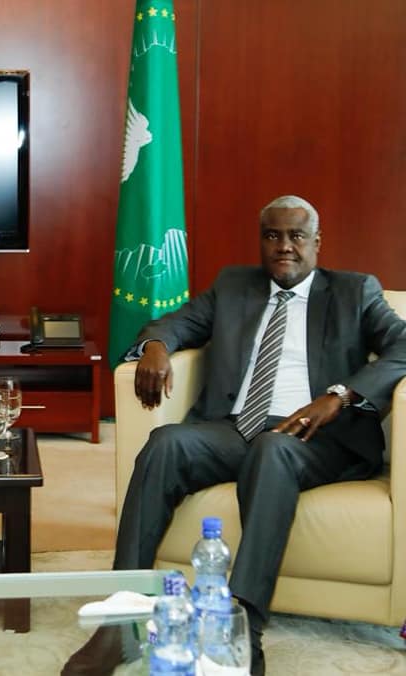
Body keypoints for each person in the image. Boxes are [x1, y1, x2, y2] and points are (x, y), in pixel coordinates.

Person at [63, 195, 406, 676]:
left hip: (317, 438)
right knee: (166, 443)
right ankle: (122, 620)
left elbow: (403, 344)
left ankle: (243, 627)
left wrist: (339, 395)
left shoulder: (355, 291)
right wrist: (156, 346)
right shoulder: (233, 285)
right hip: (236, 426)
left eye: (296, 236)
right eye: (272, 236)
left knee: (273, 449)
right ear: (260, 241)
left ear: (317, 242)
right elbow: (176, 322)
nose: (284, 246)